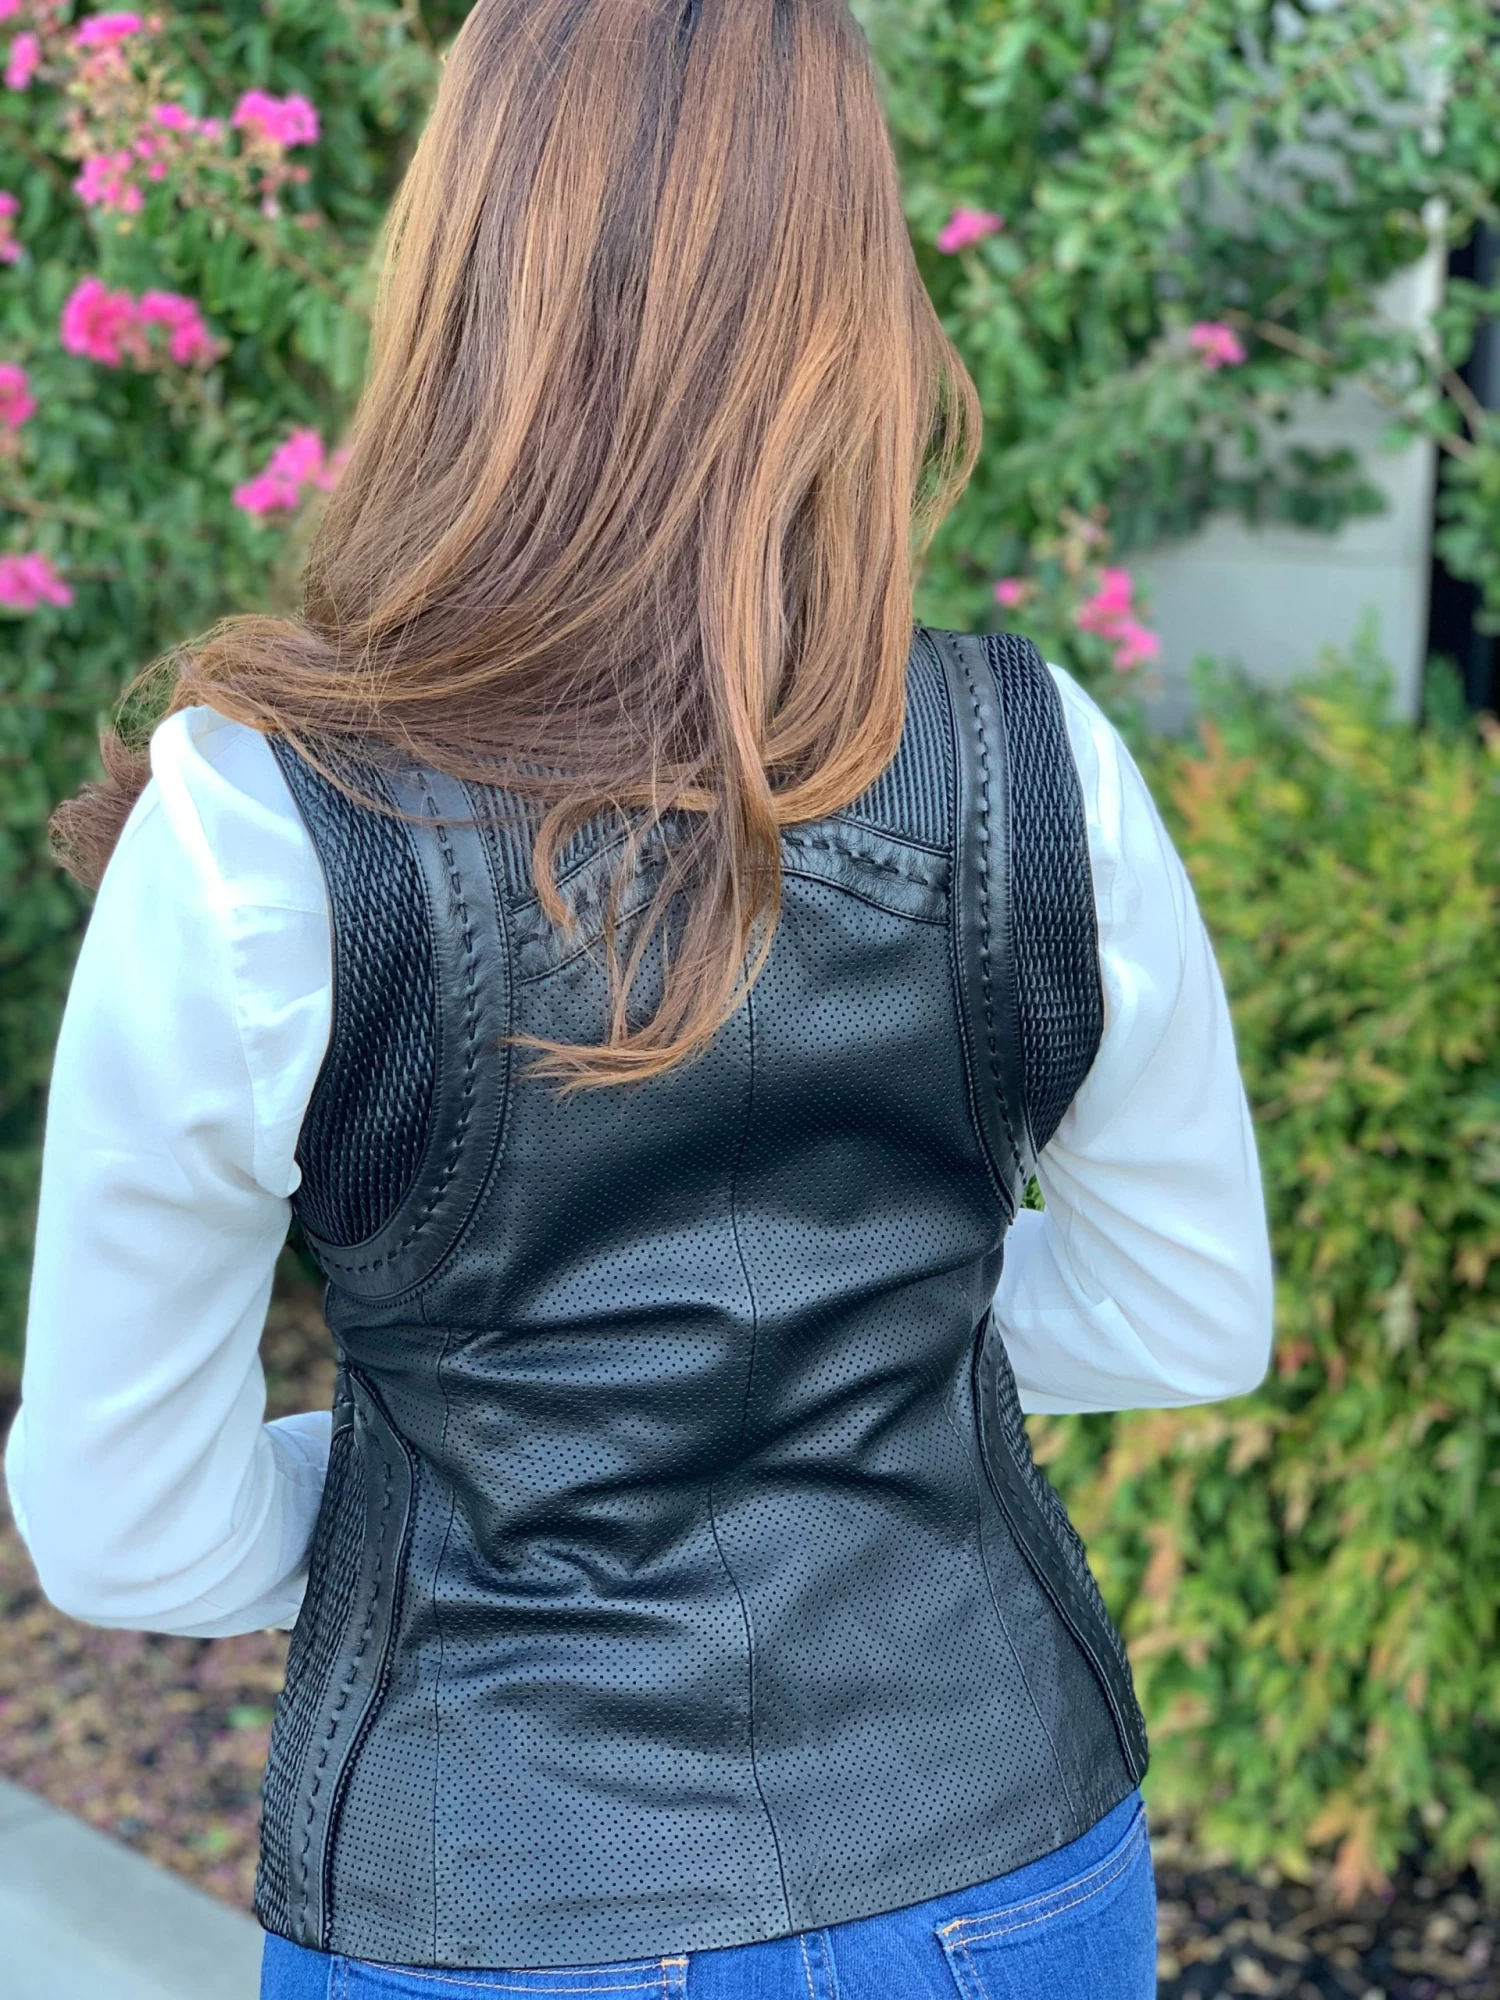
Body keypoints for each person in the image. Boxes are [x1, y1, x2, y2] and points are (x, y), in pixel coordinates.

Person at [7, 2, 1273, 1995]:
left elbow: (127, 1530)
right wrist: (852, 1354)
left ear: (460, 278)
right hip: (1005, 1861)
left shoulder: (254, 831)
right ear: (857, 305)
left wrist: (457, 1459)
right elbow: (1187, 1313)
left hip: (502, 1888)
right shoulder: (1043, 760)